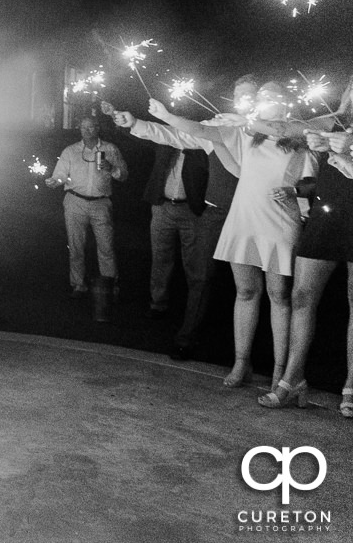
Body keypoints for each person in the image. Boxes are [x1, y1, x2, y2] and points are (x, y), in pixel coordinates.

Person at [148, 85, 316, 389]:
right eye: (259, 96)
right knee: (246, 292)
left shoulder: (301, 141)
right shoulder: (245, 135)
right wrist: (167, 115)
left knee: (279, 296)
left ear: (284, 105)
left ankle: (280, 370)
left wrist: (295, 193)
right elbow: (200, 130)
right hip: (245, 218)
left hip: (279, 221)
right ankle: (241, 364)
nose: (261, 100)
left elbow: (312, 185)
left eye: (268, 96)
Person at [111, 75, 254, 360]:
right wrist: (137, 124)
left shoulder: (273, 131)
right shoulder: (220, 125)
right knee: (201, 275)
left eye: (250, 95)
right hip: (217, 209)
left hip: (257, 211)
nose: (243, 100)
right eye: (239, 94)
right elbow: (177, 135)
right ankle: (188, 337)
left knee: (258, 286)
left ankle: (262, 357)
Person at [260, 80, 353, 410]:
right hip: (327, 218)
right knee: (301, 296)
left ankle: (350, 387)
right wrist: (317, 134)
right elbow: (295, 127)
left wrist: (348, 150)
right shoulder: (337, 121)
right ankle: (293, 379)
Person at [45, 116, 129, 321]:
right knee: (75, 246)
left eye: (91, 127)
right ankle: (78, 284)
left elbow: (124, 175)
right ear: (80, 130)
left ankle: (110, 285)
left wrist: (112, 169)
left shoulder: (110, 149)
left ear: (97, 128)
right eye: (83, 128)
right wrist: (54, 181)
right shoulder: (70, 150)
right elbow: (61, 174)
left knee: (106, 247)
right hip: (75, 201)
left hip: (101, 202)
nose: (87, 131)